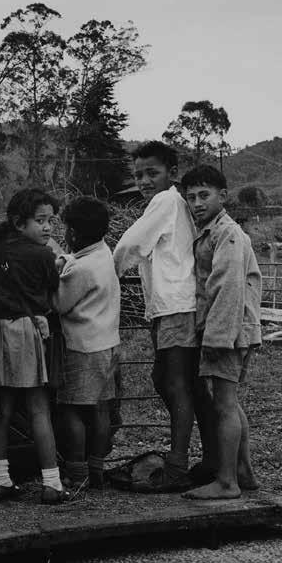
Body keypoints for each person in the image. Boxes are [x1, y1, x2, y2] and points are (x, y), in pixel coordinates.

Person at [112, 140, 207, 491]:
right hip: (172, 305)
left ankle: (178, 465)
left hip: (176, 306)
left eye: (152, 173)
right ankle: (203, 457)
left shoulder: (165, 201)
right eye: (138, 175)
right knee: (167, 379)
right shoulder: (176, 203)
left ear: (172, 173)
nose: (144, 181)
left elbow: (131, 244)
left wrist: (107, 274)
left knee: (175, 382)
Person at [0, 189, 68, 504]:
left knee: (2, 411)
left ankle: (1, 479)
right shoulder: (42, 255)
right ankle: (52, 483)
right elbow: (54, 295)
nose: (48, 227)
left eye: (51, 220)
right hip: (27, 332)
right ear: (19, 223)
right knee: (39, 409)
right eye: (40, 221)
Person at [180, 165, 261, 500]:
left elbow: (227, 288)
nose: (197, 203)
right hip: (231, 328)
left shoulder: (226, 234)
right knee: (229, 401)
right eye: (191, 198)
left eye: (205, 195)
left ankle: (227, 482)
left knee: (224, 405)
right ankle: (243, 471)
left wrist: (216, 337)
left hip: (228, 329)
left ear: (222, 196)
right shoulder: (212, 231)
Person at [54, 197, 121, 492]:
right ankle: (96, 469)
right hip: (107, 344)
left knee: (72, 409)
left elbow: (59, 303)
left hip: (82, 347)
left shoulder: (80, 270)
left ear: (73, 232)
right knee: (101, 408)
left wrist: (53, 272)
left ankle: (77, 472)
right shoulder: (104, 254)